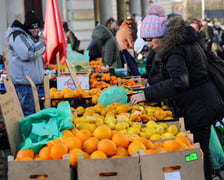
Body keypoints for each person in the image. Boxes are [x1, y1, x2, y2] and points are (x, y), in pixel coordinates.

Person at [131, 4, 224, 180]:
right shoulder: (180, 44)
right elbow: (173, 74)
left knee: (198, 150)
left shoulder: (175, 51)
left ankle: (202, 174)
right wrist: (150, 83)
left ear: (161, 35)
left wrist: (146, 94)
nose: (149, 45)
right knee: (199, 148)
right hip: (201, 102)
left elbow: (179, 82)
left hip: (199, 106)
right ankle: (202, 173)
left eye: (150, 40)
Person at [5, 11, 46, 117]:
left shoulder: (27, 36)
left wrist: (40, 44)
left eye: (38, 28)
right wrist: (41, 44)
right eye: (34, 28)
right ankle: (28, 134)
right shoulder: (18, 36)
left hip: (31, 84)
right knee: (29, 114)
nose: (37, 30)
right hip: (25, 84)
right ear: (27, 28)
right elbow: (27, 53)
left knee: (33, 113)